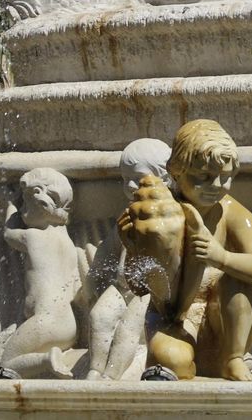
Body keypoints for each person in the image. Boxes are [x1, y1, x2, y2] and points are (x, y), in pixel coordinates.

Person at [151, 119, 252, 380]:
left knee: (237, 277)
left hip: (224, 322)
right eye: (204, 176)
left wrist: (222, 257)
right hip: (176, 317)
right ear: (177, 172)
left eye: (226, 177)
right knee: (172, 363)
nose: (218, 185)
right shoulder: (161, 210)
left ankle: (234, 359)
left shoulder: (233, 213)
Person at [85, 139, 172, 380]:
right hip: (122, 285)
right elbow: (110, 249)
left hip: (149, 291)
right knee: (98, 316)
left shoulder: (171, 215)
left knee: (129, 328)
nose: (130, 185)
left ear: (166, 179)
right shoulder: (128, 214)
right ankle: (95, 368)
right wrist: (94, 279)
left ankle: (111, 375)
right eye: (125, 179)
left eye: (138, 178)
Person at [0, 168, 84, 378]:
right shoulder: (68, 243)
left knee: (5, 364)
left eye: (26, 203)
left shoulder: (33, 237)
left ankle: (46, 360)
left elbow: (8, 234)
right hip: (68, 326)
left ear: (42, 203)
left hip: (45, 322)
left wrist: (11, 205)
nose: (23, 209)